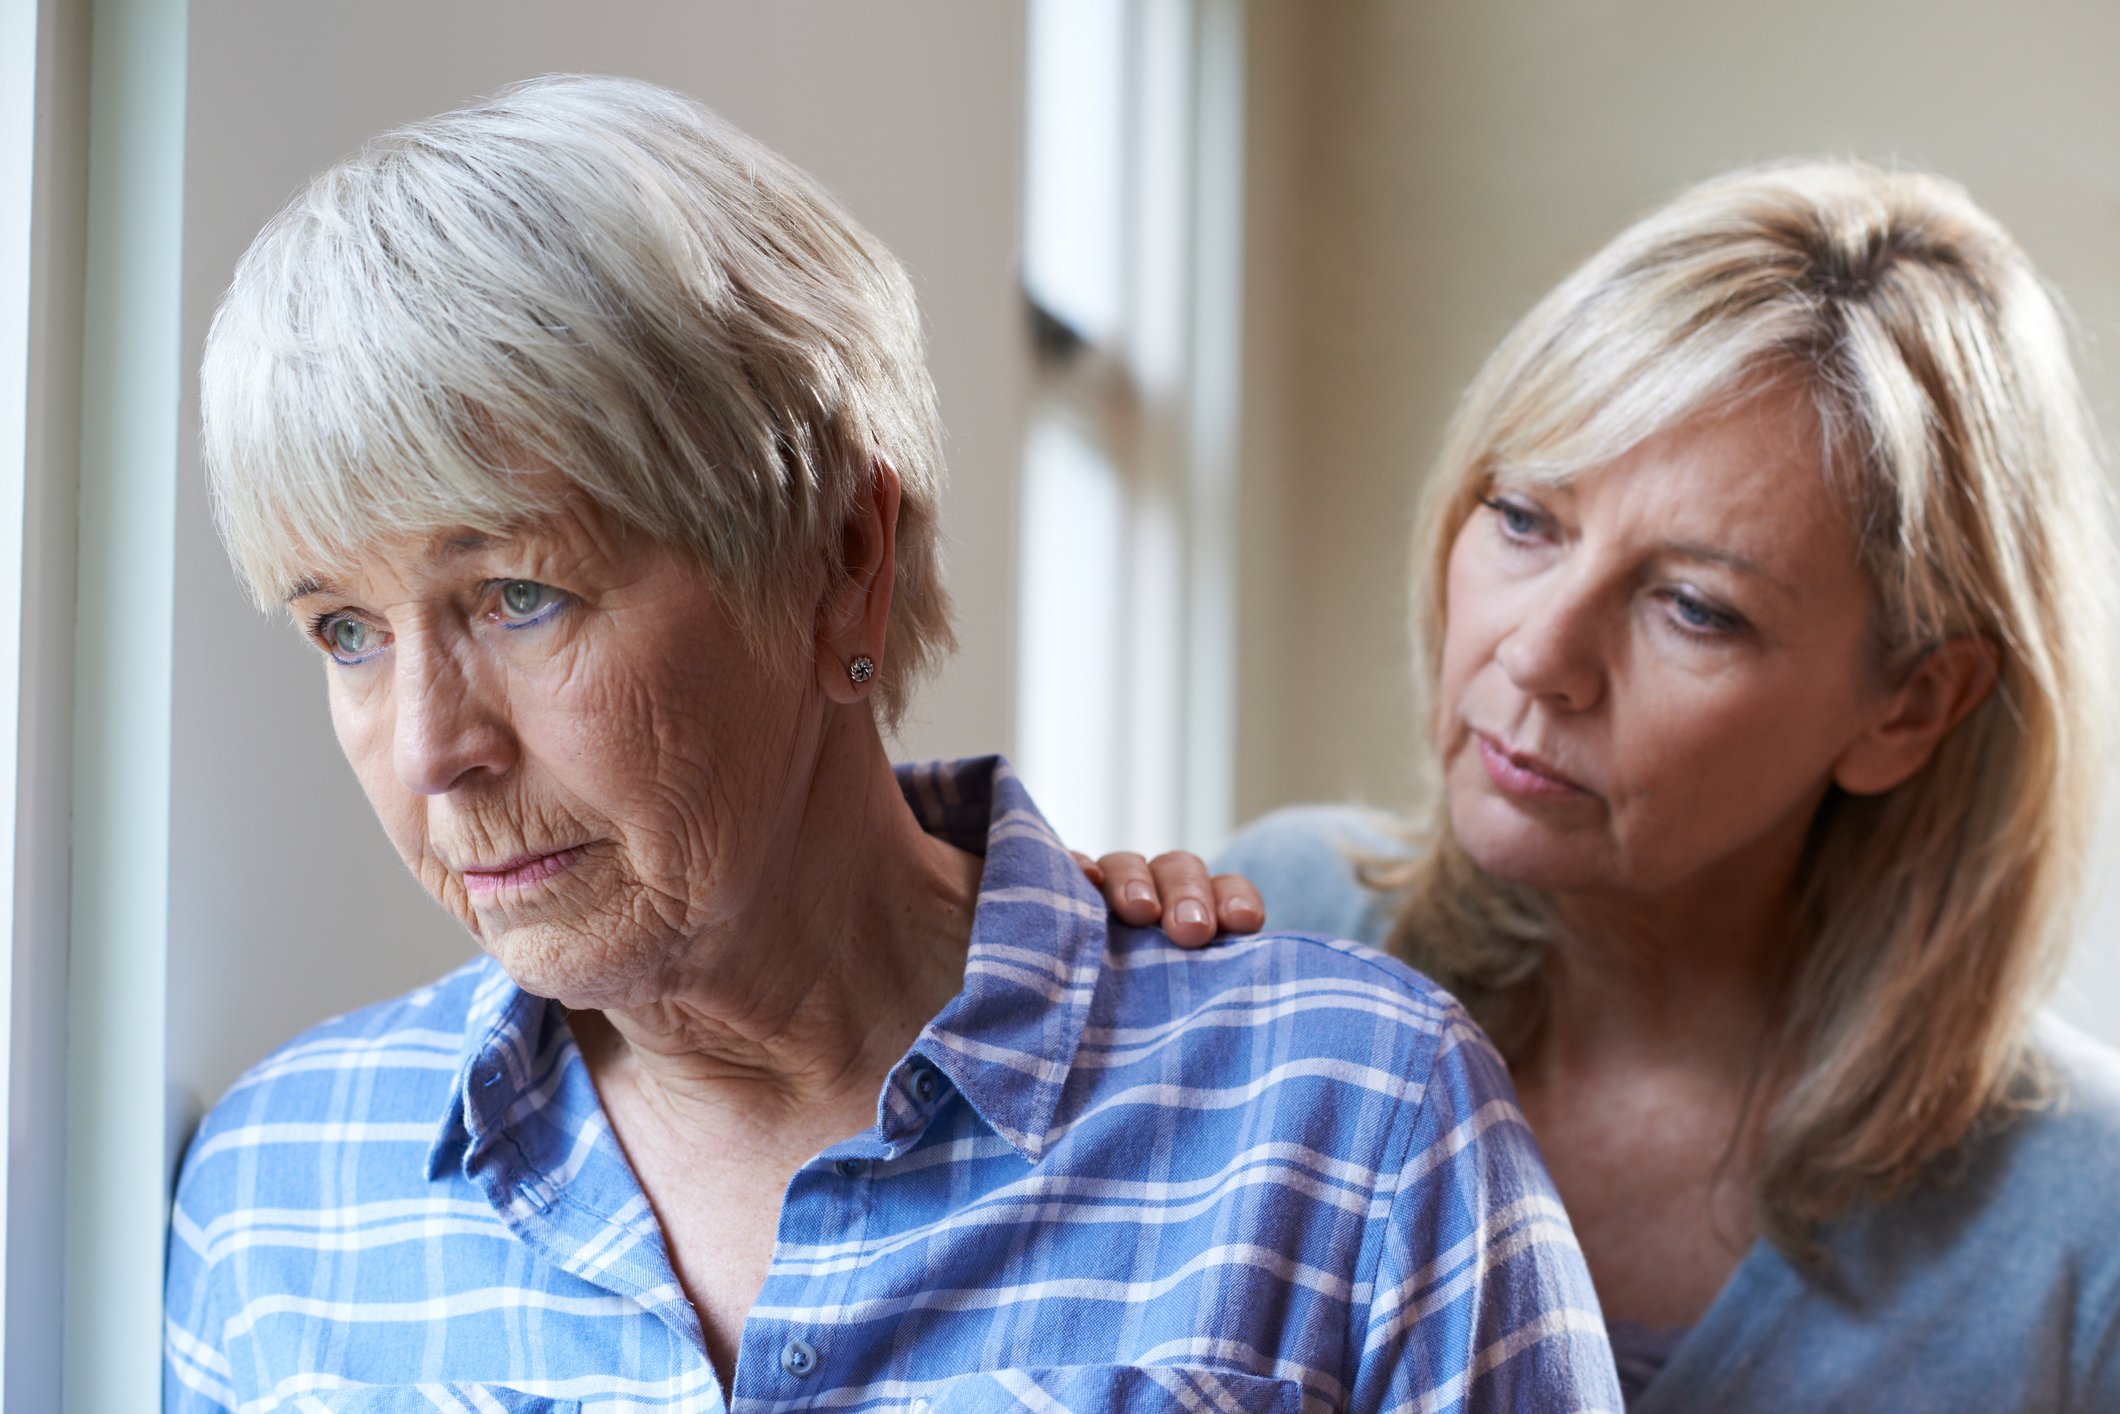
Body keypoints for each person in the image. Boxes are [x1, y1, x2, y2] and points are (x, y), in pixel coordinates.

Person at [163, 75, 1621, 1413]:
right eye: (344, 630)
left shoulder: (1347, 1117)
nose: (431, 748)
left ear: (842, 559)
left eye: (521, 596)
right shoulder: (277, 1189)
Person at [1088, 160, 2120, 1410]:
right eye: (1524, 516)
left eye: (1693, 605)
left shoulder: (2083, 1221)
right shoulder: (1271, 918)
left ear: (1906, 708)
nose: (1537, 653)